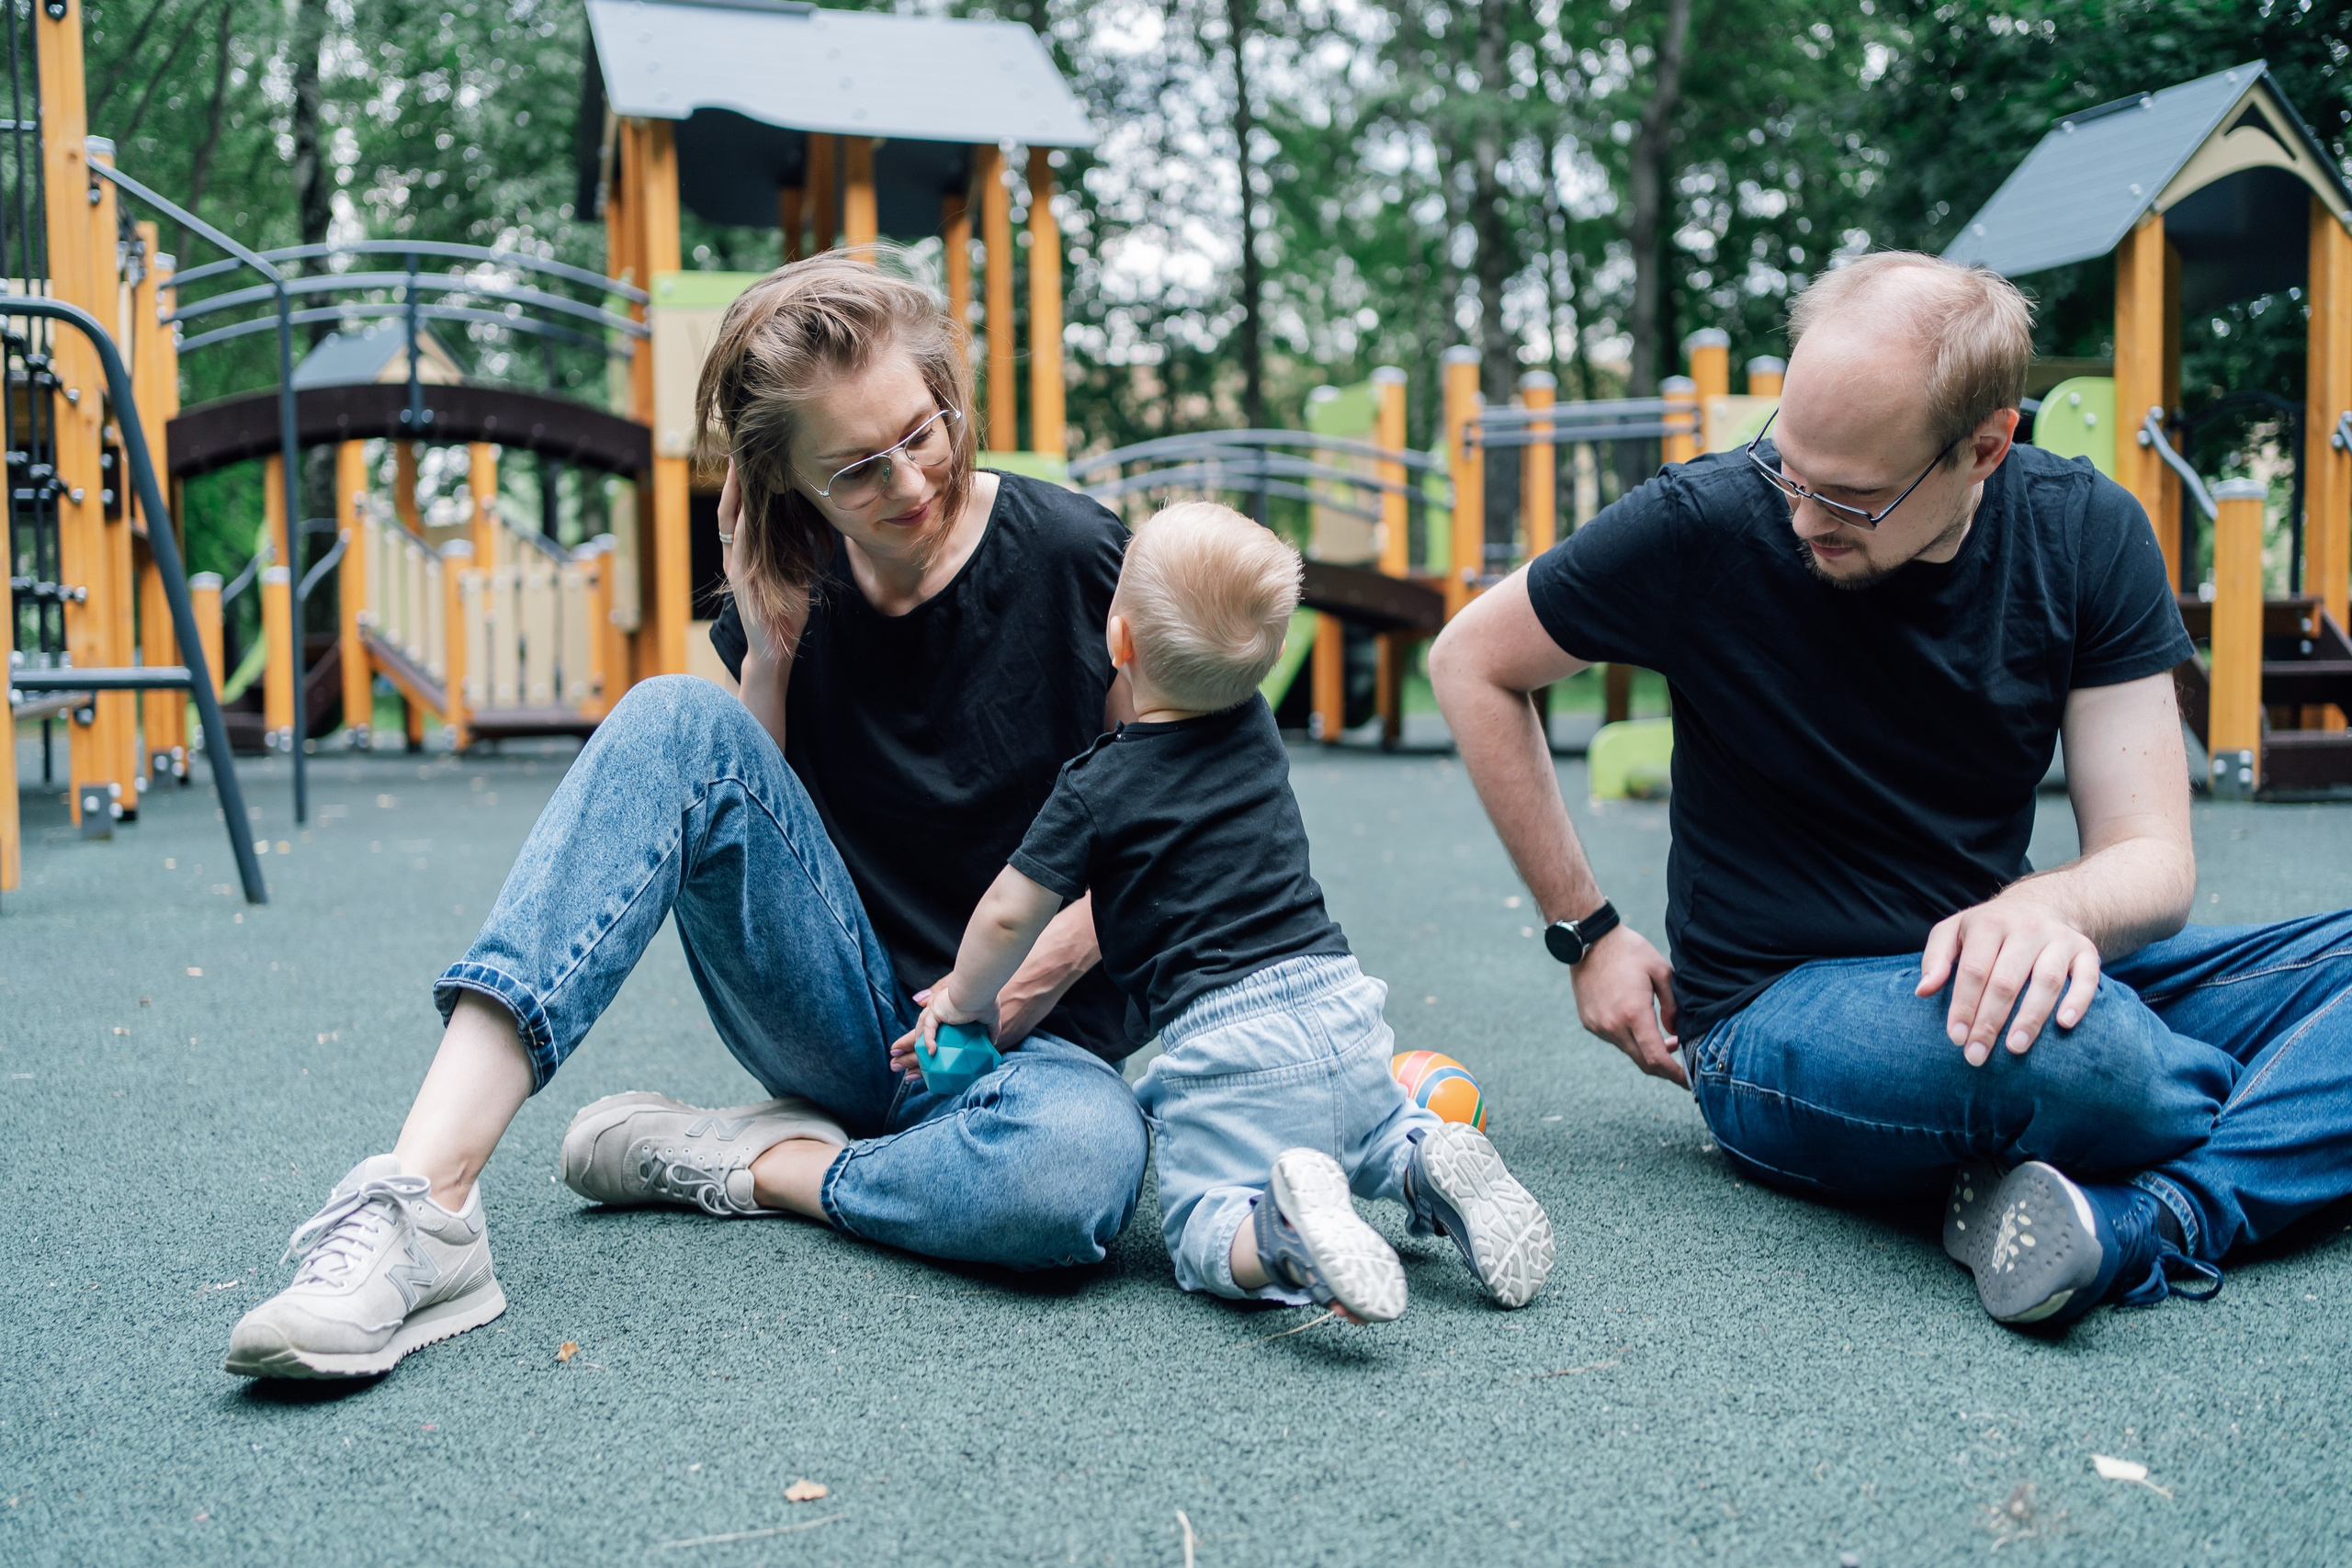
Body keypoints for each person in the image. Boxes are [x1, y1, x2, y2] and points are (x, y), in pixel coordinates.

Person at [224, 254, 1149, 1380]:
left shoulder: (1079, 555)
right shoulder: (797, 586)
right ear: (788, 485)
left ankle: (748, 1163)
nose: (909, 482)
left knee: (1075, 1177)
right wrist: (764, 651)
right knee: (671, 714)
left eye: (925, 429)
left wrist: (1037, 965)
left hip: (1030, 1045)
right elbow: (755, 828)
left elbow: (1180, 816)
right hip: (848, 1020)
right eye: (855, 470)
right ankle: (422, 1207)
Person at [1430, 250, 2352, 1331]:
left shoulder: (2086, 531)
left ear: (1984, 448)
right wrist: (1586, 933)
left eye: (1851, 496)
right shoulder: (1706, 520)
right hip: (1776, 1012)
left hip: (1999, 965)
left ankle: (2158, 1215)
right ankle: (2264, 1118)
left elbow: (2152, 859)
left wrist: (2045, 907)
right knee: (2090, 1051)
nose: (1800, 515)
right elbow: (1472, 661)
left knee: (2094, 1039)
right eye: (1789, 465)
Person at [906, 502, 1555, 1321]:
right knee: (1376, 1134)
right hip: (1344, 1009)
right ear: (1272, 655)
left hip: (1227, 1047)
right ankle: (1426, 1157)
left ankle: (1278, 1229)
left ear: (1120, 643)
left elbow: (1008, 915)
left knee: (1202, 1225)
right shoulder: (1256, 725)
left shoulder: (1094, 790)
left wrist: (965, 1003)